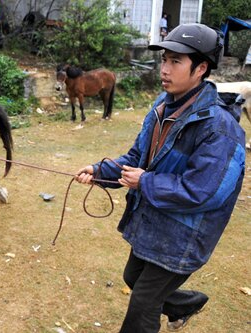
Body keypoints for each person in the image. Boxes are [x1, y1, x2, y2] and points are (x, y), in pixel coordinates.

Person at [75, 23, 246, 333]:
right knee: (132, 277)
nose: (164, 69)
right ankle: (185, 304)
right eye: (164, 60)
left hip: (185, 235)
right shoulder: (161, 106)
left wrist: (146, 182)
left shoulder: (220, 129)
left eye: (175, 62)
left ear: (201, 69)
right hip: (153, 222)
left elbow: (205, 193)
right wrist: (100, 172)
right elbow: (137, 160)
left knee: (142, 303)